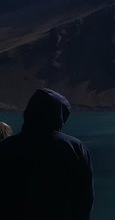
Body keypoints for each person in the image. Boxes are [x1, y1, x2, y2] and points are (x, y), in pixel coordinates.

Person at [0, 88, 94, 220]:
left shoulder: (5, 147)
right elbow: (85, 198)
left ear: (29, 112)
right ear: (59, 116)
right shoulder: (74, 147)